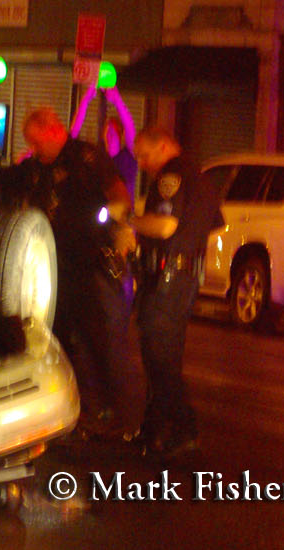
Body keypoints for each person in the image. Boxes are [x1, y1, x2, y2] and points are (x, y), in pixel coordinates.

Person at [19, 106, 134, 435]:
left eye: (37, 143)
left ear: (54, 131)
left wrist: (120, 222)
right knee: (55, 341)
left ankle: (110, 413)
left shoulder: (86, 158)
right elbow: (9, 181)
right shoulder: (38, 168)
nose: (34, 150)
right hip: (52, 268)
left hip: (87, 264)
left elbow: (117, 191)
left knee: (97, 341)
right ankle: (69, 409)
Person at [129, 126, 221, 456]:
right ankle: (152, 430)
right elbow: (214, 223)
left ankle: (184, 428)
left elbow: (166, 225)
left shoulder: (173, 176)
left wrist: (131, 221)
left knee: (159, 358)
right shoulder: (201, 178)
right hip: (183, 277)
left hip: (168, 277)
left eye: (144, 154)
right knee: (165, 355)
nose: (141, 163)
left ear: (165, 146)